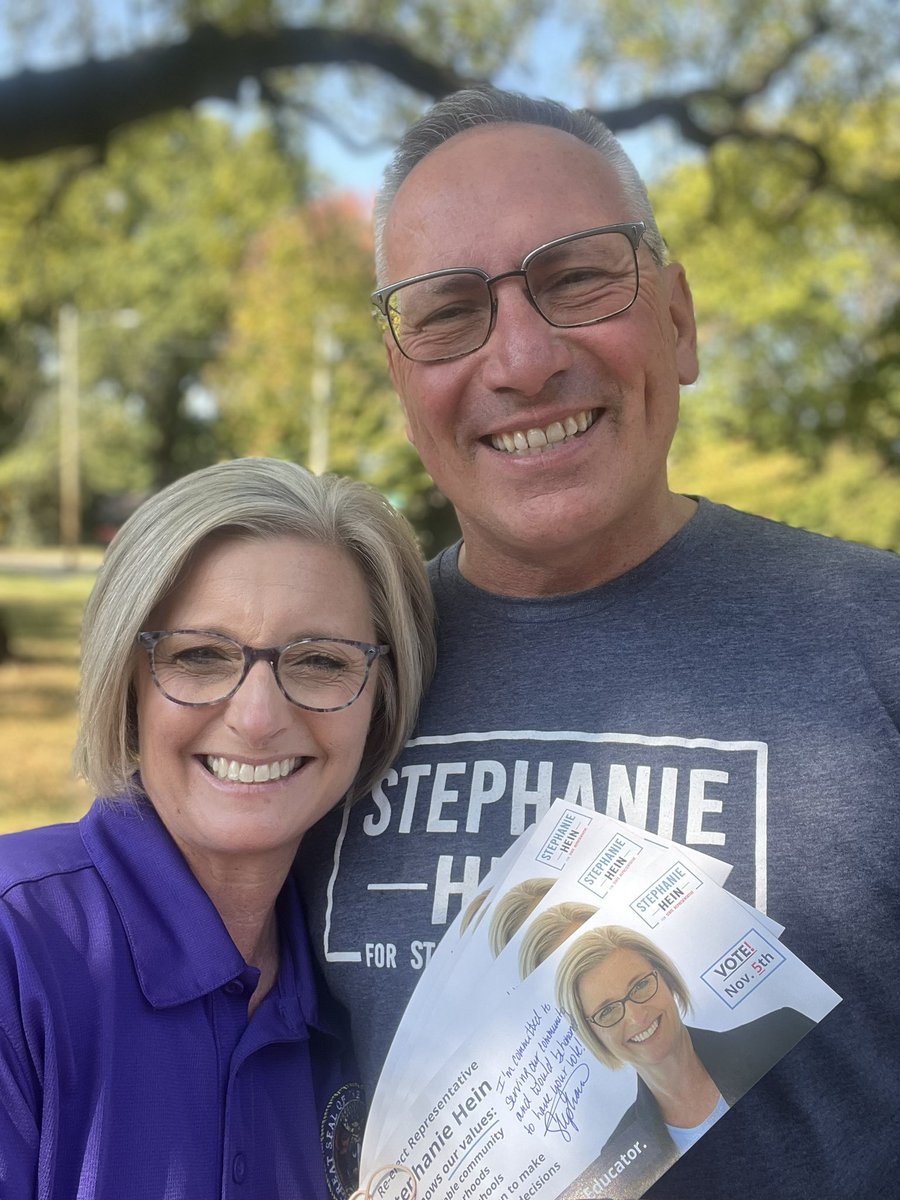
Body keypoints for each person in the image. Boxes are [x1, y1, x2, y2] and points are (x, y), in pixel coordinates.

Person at [298, 85, 900, 1197]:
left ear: (678, 318)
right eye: (445, 311)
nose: (522, 359)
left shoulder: (882, 643)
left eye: (577, 277)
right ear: (402, 381)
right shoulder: (327, 690)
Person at [0, 457, 435, 1200]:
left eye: (321, 660)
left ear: (382, 701)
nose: (259, 718)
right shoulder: (17, 946)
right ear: (127, 683)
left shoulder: (352, 1003)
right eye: (201, 655)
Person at [555, 925, 814, 1198]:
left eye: (641, 985)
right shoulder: (617, 1162)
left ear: (667, 979)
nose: (635, 1017)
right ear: (593, 1033)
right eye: (607, 1011)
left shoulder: (784, 1033)